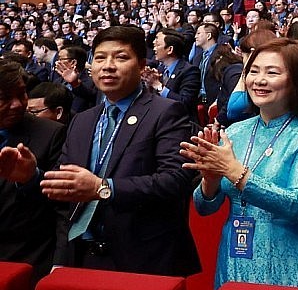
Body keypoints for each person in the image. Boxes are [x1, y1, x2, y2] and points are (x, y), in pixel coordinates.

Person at [39, 25, 200, 276]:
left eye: (121, 57)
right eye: (100, 58)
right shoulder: (81, 121)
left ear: (142, 65)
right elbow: (66, 187)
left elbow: (176, 181)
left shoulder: (166, 112)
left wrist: (104, 188)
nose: (108, 66)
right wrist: (32, 175)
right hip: (82, 254)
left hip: (143, 258)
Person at [185, 38, 298, 289]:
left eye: (271, 72)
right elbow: (205, 208)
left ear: (296, 80)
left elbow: (297, 206)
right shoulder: (236, 131)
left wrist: (234, 172)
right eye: (253, 71)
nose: (259, 80)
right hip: (235, 252)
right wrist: (210, 180)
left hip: (288, 255)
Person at [0, 61, 66, 282]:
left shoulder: (51, 134)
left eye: (22, 94)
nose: (18, 104)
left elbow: (65, 207)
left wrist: (31, 179)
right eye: (4, 98)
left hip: (24, 263)